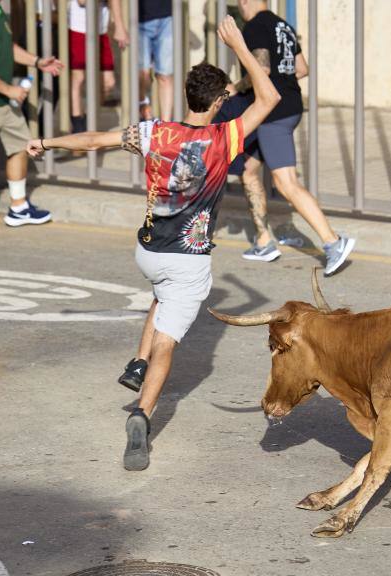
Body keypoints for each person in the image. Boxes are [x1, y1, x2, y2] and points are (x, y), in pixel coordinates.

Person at [27, 16, 281, 471]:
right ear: (220, 101)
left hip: (147, 253)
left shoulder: (153, 132)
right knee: (169, 343)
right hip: (188, 262)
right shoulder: (226, 137)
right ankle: (142, 414)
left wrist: (46, 142)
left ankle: (136, 363)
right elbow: (271, 96)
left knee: (160, 295)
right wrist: (240, 44)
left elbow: (92, 141)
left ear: (187, 97)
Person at [216, 0, 355, 275]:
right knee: (249, 170)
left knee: (285, 181)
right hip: (290, 107)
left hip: (273, 113)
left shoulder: (255, 26)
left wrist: (235, 86)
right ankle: (265, 241)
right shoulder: (284, 26)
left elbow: (262, 69)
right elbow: (302, 68)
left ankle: (333, 242)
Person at [0, 2, 62, 227]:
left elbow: (8, 46)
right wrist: (8, 90)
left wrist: (37, 62)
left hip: (4, 102)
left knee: (19, 147)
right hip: (4, 94)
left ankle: (18, 207)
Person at [68, 0, 128, 134]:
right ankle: (77, 122)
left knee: (109, 82)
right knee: (78, 78)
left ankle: (89, 118)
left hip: (100, 30)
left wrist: (119, 25)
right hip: (78, 27)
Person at [138, 0, 173, 121]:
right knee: (143, 73)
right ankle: (142, 104)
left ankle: (166, 124)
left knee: (165, 75)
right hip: (139, 19)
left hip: (167, 17)